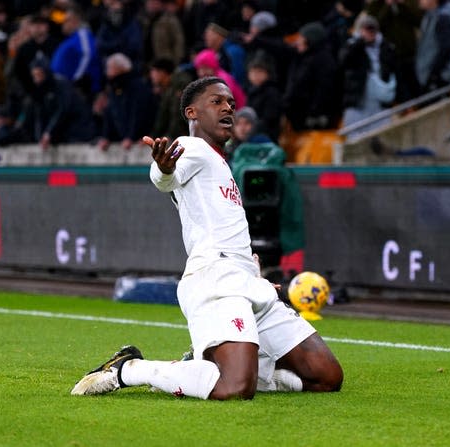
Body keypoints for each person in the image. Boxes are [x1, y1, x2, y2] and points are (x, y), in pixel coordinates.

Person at [71, 76, 343, 400]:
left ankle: (211, 367)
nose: (228, 107)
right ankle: (129, 369)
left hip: (245, 279)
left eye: (231, 102)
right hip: (216, 279)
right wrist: (162, 168)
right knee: (235, 388)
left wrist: (250, 268)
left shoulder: (220, 161)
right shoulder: (193, 149)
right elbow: (165, 177)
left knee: (326, 376)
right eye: (216, 102)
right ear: (192, 113)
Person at [338, 15, 397, 139]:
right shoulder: (351, 45)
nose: (370, 33)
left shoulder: (386, 47)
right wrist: (360, 42)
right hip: (358, 101)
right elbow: (344, 61)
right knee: (355, 137)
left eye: (372, 29)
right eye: (366, 29)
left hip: (380, 101)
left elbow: (394, 69)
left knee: (382, 137)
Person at [96, 53, 156, 151]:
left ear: (120, 69)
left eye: (110, 68)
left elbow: (138, 114)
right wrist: (106, 137)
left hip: (140, 141)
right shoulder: (114, 88)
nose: (107, 72)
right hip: (124, 140)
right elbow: (110, 114)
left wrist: (131, 137)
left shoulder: (138, 87)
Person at [50, 5, 103, 99]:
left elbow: (88, 55)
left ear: (75, 21)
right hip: (64, 89)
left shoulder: (83, 34)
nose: (63, 24)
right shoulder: (72, 38)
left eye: (66, 20)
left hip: (80, 92)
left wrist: (76, 80)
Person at [415, 0, 450, 95]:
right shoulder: (429, 16)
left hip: (439, 77)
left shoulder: (443, 19)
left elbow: (446, 49)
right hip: (428, 74)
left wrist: (434, 76)